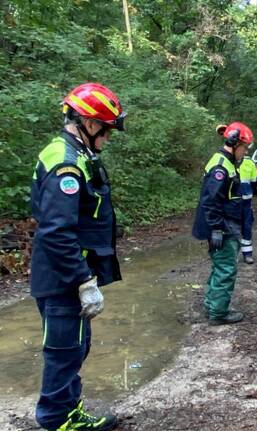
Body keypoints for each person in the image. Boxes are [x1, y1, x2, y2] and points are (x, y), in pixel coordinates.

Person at [30, 83, 126, 431]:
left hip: (69, 273)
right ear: (88, 122)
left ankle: (68, 409)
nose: (109, 137)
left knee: (75, 346)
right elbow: (56, 231)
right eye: (107, 129)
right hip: (62, 278)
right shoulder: (66, 165)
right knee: (63, 350)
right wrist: (83, 280)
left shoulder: (77, 154)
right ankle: (57, 419)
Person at [192, 122, 254, 325]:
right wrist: (217, 228)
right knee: (226, 268)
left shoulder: (225, 162)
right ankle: (218, 313)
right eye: (244, 148)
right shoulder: (221, 166)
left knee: (220, 267)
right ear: (235, 144)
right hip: (223, 227)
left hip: (226, 225)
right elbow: (210, 202)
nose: (244, 153)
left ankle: (212, 306)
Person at [238, 154, 257, 264]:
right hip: (231, 203)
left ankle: (247, 254)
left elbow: (253, 182)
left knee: (247, 227)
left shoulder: (250, 162)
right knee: (231, 228)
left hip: (246, 203)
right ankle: (231, 255)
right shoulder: (227, 161)